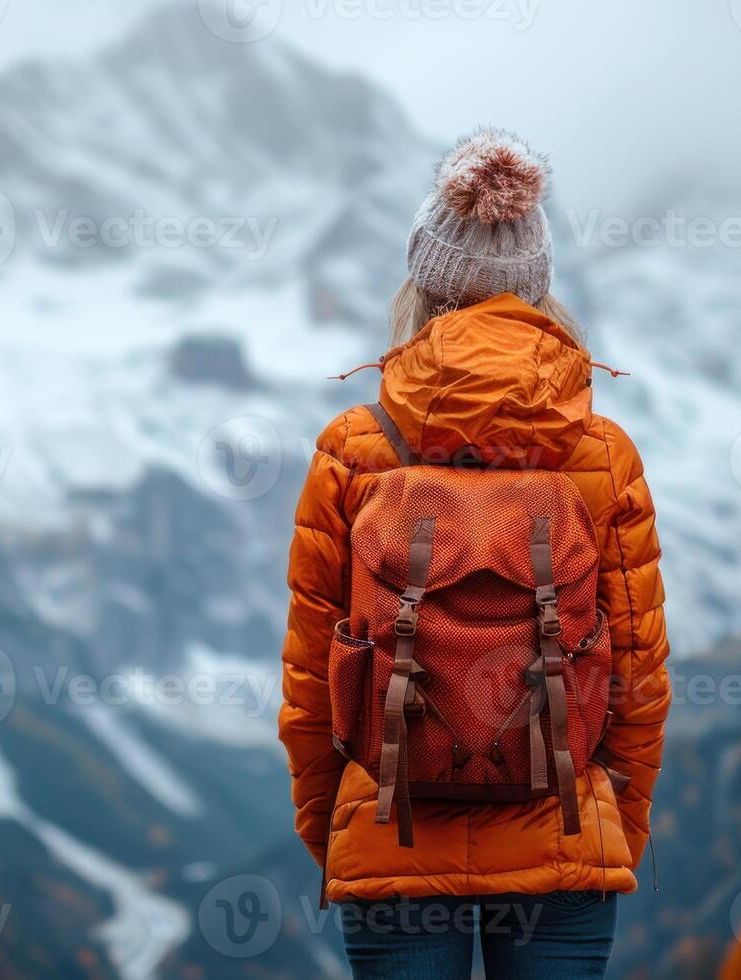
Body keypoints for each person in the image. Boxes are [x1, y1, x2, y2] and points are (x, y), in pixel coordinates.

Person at [277, 128, 671, 979]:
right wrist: (606, 828)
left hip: (391, 835)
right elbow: (638, 678)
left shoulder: (354, 449)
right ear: (537, 294)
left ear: (421, 285)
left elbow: (312, 681)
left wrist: (340, 831)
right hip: (564, 840)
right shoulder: (599, 454)